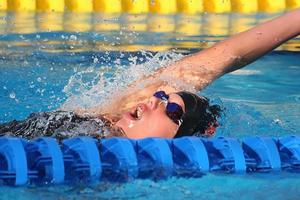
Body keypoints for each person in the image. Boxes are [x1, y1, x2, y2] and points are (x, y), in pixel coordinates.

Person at [1, 9, 300, 140]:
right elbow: (220, 59)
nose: (155, 101)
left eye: (171, 109)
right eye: (160, 96)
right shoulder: (96, 119)